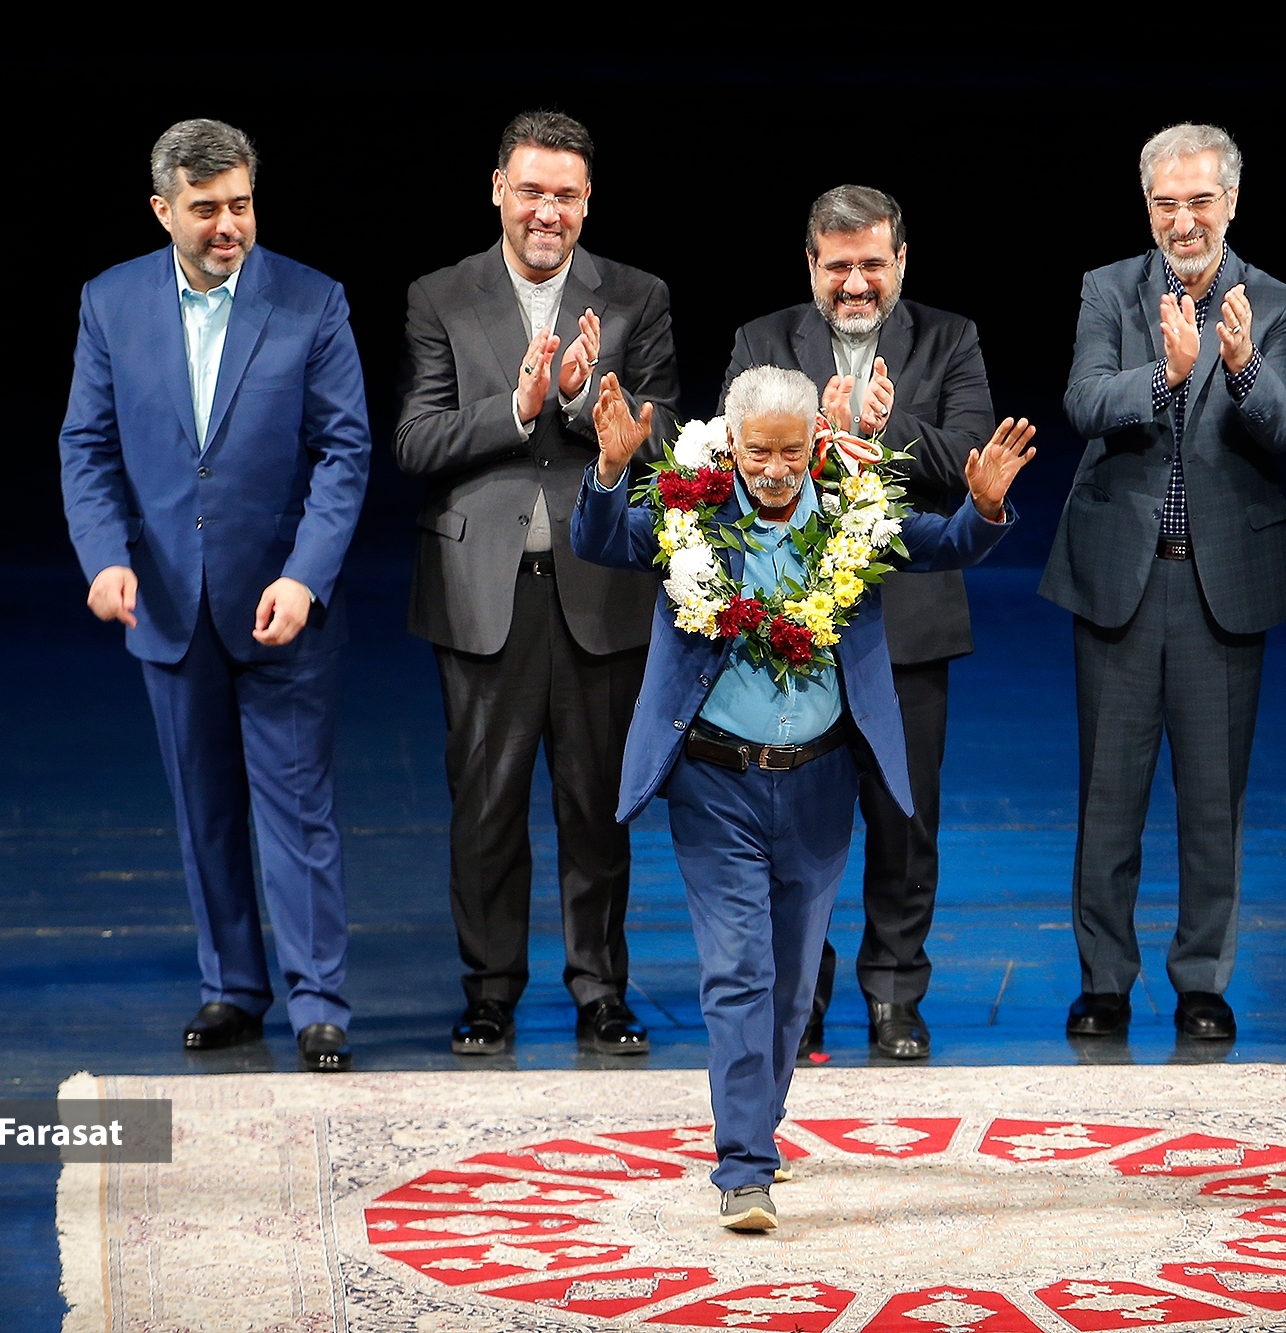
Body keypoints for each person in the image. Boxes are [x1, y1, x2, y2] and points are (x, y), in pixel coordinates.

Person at [573, 364, 1032, 1229]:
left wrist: (983, 508)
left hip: (820, 783)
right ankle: (743, 1166)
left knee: (790, 986)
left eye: (791, 451)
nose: (777, 469)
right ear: (732, 443)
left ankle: (759, 1120)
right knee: (737, 971)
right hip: (715, 783)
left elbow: (944, 545)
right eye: (759, 452)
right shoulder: (690, 512)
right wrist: (608, 471)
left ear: (815, 441)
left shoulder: (856, 510)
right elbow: (599, 539)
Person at [58, 119, 372, 1072]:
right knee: (205, 811)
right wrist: (103, 558)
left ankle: (319, 1003)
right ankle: (234, 987)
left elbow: (344, 451)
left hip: (281, 603)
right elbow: (86, 446)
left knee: (298, 812)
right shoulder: (110, 302)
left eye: (240, 204)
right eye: (205, 209)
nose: (227, 224)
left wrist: (305, 575)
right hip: (165, 603)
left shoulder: (312, 301)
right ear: (164, 210)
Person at [395, 110, 679, 1057]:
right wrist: (517, 408)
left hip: (599, 587)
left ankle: (602, 989)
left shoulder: (635, 296)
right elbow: (416, 439)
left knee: (597, 804)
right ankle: (489, 992)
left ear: (587, 201)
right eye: (531, 191)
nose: (546, 211)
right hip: (484, 592)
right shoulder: (440, 295)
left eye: (565, 194)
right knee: (486, 804)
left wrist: (580, 400)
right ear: (497, 191)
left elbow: (670, 435)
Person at [1039, 123, 1286, 1044]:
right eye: (1167, 204)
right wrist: (1167, 374)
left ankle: (1202, 980)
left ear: (1230, 201)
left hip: (1220, 584)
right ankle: (1104, 981)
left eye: (1200, 201)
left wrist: (1239, 367)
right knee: (1107, 799)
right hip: (1121, 576)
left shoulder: (1278, 302)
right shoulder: (1109, 289)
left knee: (1213, 799)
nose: (1184, 221)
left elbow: (1285, 425)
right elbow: (1084, 400)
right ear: (1147, 206)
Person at [721, 185, 997, 1061]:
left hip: (907, 625)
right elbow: (730, 460)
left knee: (904, 820)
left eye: (872, 264)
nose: (855, 283)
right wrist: (817, 432)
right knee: (792, 824)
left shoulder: (949, 338)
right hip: (791, 631)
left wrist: (880, 431)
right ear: (811, 265)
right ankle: (799, 994)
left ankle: (894, 995)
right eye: (837, 266)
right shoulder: (762, 341)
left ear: (900, 261)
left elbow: (972, 459)